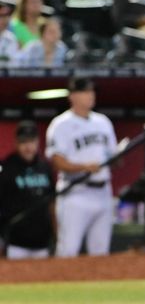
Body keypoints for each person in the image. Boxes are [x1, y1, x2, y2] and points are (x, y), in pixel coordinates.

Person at [45, 78, 117, 257]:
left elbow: (113, 156)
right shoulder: (61, 124)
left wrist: (117, 158)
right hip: (75, 192)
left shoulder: (103, 122)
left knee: (100, 251)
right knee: (68, 249)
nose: (90, 95)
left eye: (92, 91)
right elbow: (57, 161)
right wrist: (84, 167)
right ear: (73, 96)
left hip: (103, 191)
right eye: (85, 92)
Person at [0, 121, 55, 260]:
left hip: (42, 241)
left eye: (31, 141)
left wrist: (56, 234)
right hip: (15, 242)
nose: (28, 147)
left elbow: (52, 203)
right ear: (16, 143)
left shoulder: (45, 167)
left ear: (37, 142)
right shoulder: (6, 168)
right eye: (23, 142)